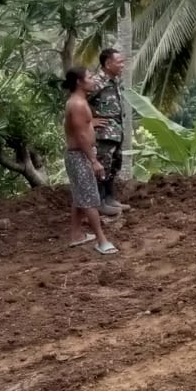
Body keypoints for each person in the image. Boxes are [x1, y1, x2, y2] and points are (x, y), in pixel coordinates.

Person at [62, 68, 117, 255]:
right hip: (79, 155)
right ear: (79, 82)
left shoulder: (77, 102)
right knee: (90, 199)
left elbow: (79, 127)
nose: (93, 80)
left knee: (81, 195)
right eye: (90, 77)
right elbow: (80, 136)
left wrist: (90, 124)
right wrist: (93, 160)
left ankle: (76, 235)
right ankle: (102, 241)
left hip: (79, 155)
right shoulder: (77, 104)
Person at [86, 47, 130, 217]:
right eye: (119, 62)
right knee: (102, 167)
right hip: (103, 134)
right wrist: (90, 121)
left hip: (116, 132)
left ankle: (110, 198)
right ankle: (100, 202)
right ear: (108, 63)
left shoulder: (114, 81)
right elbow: (78, 101)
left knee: (113, 166)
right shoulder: (97, 81)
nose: (122, 65)